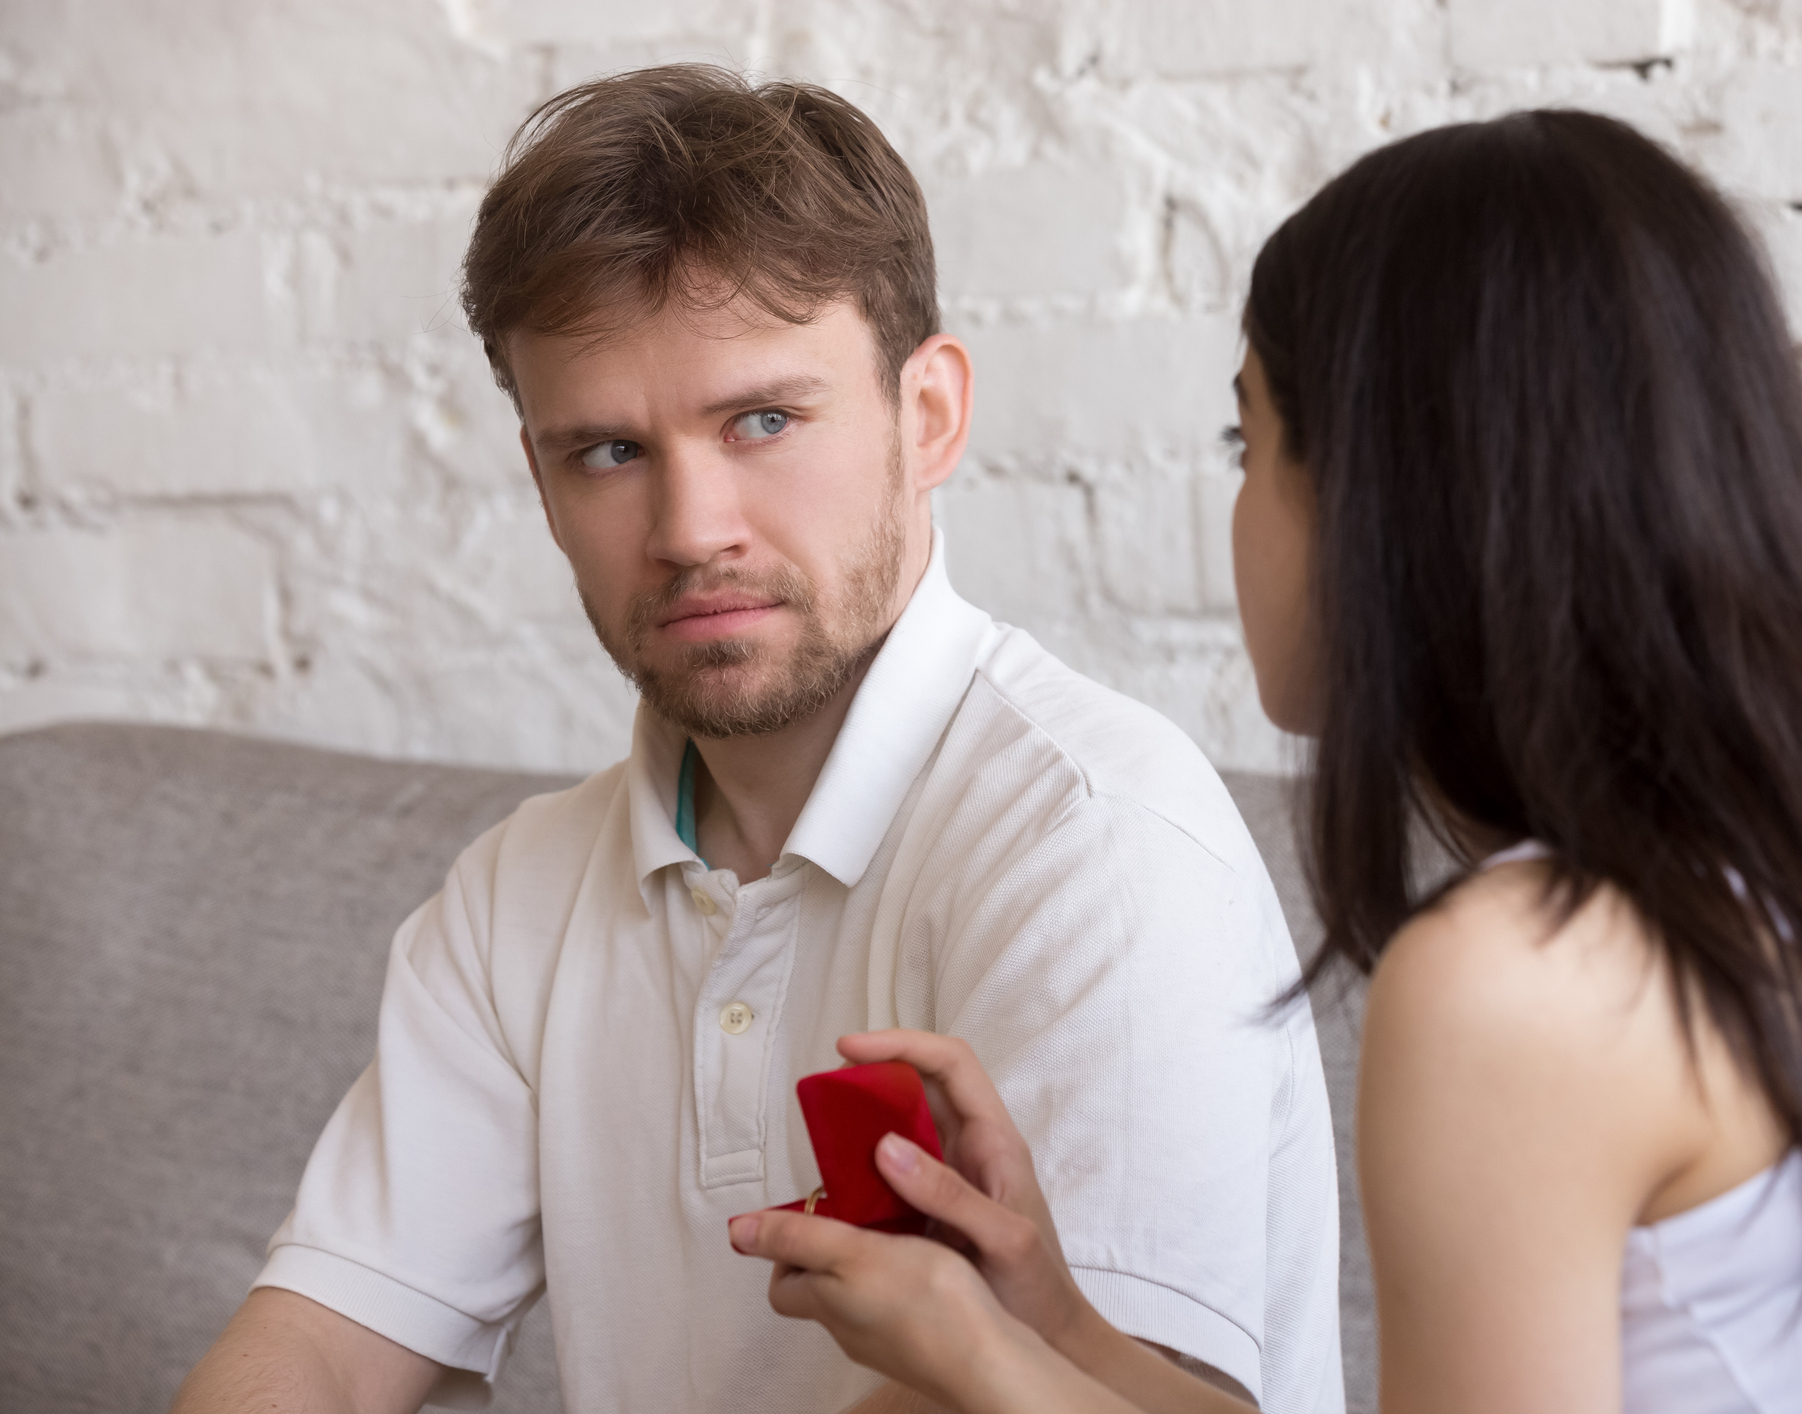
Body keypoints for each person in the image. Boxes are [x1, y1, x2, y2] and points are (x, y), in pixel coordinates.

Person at [729, 109, 1802, 1413]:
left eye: (1246, 436)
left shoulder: (1520, 979)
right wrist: (1056, 1322)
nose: (1234, 504)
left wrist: (983, 1365)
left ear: (1386, 495)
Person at [170, 65, 1345, 1414]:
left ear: (929, 417)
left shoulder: (1094, 833)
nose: (688, 526)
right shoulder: (513, 900)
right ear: (540, 485)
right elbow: (317, 1340)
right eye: (607, 451)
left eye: (763, 420)